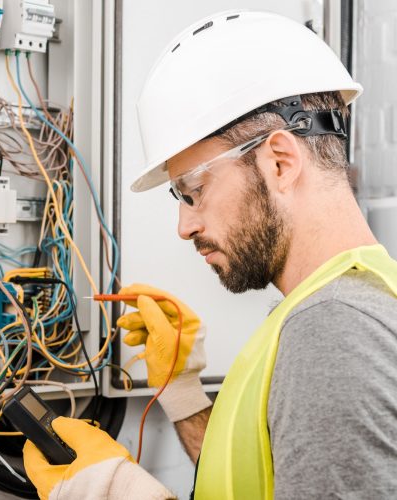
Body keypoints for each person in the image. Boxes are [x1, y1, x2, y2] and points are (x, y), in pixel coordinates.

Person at [22, 10, 397, 499]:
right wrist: (182, 392)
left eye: (194, 191)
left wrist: (113, 491)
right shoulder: (340, 300)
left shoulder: (332, 330)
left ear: (280, 163)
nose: (184, 227)